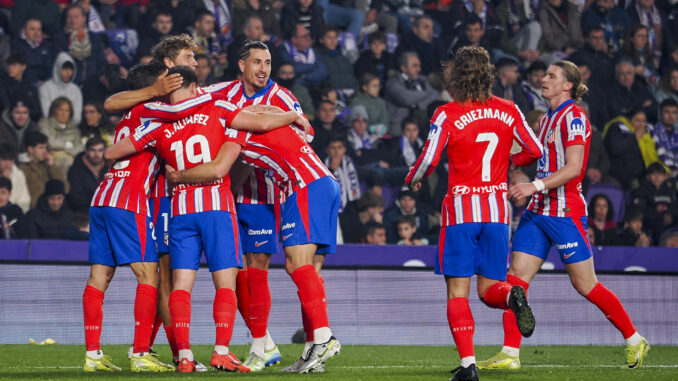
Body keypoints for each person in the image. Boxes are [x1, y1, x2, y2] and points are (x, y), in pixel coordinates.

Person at [104, 65, 308, 373]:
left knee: (181, 285)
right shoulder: (217, 106)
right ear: (195, 85)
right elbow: (261, 122)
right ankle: (221, 352)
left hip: (181, 210)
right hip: (216, 207)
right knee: (225, 283)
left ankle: (184, 356)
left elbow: (113, 152)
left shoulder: (159, 120)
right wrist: (291, 115)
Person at [480, 60, 649, 371]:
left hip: (565, 214)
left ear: (567, 85)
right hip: (537, 212)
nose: (544, 79)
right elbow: (536, 158)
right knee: (515, 282)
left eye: (551, 76)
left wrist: (533, 185)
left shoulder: (574, 118)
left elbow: (574, 169)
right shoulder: (546, 119)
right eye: (544, 74)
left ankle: (635, 339)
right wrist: (510, 164)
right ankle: (509, 353)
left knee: (585, 285)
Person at [404, 46, 544, 381]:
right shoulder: (509, 110)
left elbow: (429, 159)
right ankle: (512, 294)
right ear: (488, 74)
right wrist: (512, 161)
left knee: (458, 292)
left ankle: (468, 365)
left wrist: (414, 179)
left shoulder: (447, 113)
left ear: (458, 74)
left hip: (461, 212)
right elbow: (534, 149)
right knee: (488, 290)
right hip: (497, 212)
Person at [384, 51, 440, 136]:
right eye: (414, 66)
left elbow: (435, 96)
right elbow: (406, 98)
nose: (419, 69)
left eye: (419, 66)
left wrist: (418, 105)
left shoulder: (422, 80)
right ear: (404, 68)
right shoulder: (392, 83)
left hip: (422, 126)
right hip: (400, 128)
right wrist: (425, 94)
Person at [18, 131, 68, 209]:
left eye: (45, 147)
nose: (45, 151)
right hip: (36, 210)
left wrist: (52, 166)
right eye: (41, 148)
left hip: (53, 209)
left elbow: (65, 188)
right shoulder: (22, 168)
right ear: (30, 149)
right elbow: (36, 195)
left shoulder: (48, 165)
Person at [631, 162, 677, 243]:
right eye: (653, 174)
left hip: (668, 224)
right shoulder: (641, 190)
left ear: (665, 176)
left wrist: (670, 215)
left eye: (660, 174)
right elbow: (639, 212)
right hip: (649, 225)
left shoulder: (669, 190)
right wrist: (658, 214)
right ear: (648, 177)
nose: (657, 177)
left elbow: (674, 207)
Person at [38, 97, 84, 175]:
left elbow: (80, 148)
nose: (64, 113)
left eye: (67, 110)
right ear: (54, 111)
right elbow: (51, 143)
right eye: (60, 110)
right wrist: (68, 145)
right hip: (49, 160)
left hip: (71, 158)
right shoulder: (44, 124)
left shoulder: (74, 128)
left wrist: (64, 151)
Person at [39, 53, 83, 126]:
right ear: (58, 68)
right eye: (64, 69)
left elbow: (77, 116)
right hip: (50, 127)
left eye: (71, 69)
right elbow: (46, 113)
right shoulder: (46, 87)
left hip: (70, 128)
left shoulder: (76, 90)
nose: (68, 72)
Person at [67, 137, 107, 214]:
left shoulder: (110, 167)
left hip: (106, 211)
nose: (96, 154)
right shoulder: (76, 169)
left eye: (100, 150)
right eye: (93, 150)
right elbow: (75, 199)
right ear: (86, 151)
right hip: (82, 213)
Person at [650, 99, 678, 176]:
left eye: (674, 113)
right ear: (660, 114)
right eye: (667, 112)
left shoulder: (677, 133)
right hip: (660, 174)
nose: (671, 116)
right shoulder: (652, 132)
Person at [0, 145, 30, 213]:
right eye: (4, 159)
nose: (7, 164)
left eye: (11, 160)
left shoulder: (19, 174)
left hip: (12, 212)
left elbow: (24, 199)